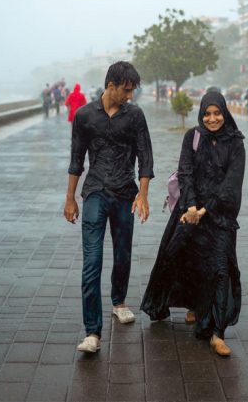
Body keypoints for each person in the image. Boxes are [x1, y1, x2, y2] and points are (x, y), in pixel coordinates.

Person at [141, 91, 245, 357]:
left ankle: (217, 333)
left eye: (217, 113)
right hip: (190, 210)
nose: (212, 119)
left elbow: (232, 183)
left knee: (221, 269)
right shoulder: (192, 137)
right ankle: (193, 306)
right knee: (185, 260)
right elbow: (185, 171)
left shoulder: (235, 143)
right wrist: (190, 207)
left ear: (225, 112)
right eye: (207, 114)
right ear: (201, 114)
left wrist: (205, 210)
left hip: (219, 216)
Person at [64, 61, 154, 353]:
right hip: (95, 193)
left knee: (122, 253)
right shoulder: (85, 116)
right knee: (91, 262)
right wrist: (69, 198)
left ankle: (119, 301)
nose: (130, 96)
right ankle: (92, 332)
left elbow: (145, 156)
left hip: (125, 193)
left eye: (132, 91)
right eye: (126, 90)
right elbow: (77, 159)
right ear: (111, 86)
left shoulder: (135, 115)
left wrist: (143, 194)